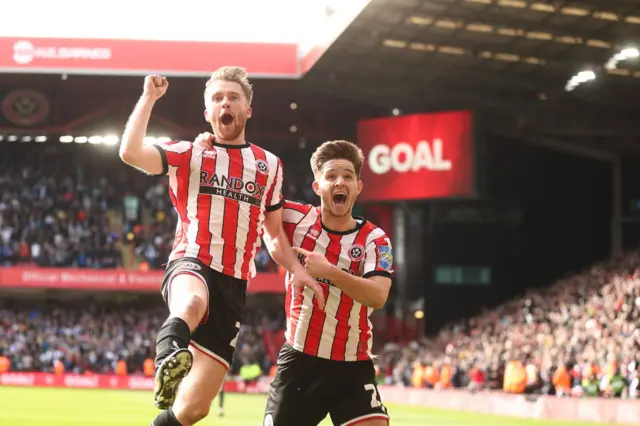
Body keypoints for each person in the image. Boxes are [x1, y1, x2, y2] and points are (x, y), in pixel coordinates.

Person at [119, 67, 324, 426]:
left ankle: (170, 379)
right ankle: (169, 354)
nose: (224, 103)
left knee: (194, 409)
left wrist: (298, 270)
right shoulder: (190, 153)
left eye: (233, 97)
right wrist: (149, 97)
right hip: (191, 261)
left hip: (234, 284)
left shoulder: (269, 166)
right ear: (207, 113)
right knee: (193, 302)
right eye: (216, 98)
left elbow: (274, 235)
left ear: (247, 110)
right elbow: (130, 152)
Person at [194, 134, 393, 426]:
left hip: (353, 366)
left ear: (358, 187)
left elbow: (378, 296)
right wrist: (213, 152)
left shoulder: (376, 240)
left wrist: (329, 271)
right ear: (317, 186)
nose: (340, 182)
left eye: (348, 176)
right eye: (331, 176)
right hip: (300, 364)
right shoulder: (294, 218)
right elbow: (244, 199)